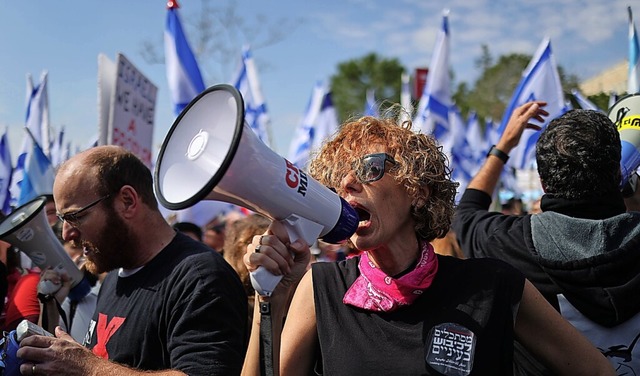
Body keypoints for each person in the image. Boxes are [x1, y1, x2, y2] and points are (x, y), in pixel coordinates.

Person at [241, 115, 614, 375]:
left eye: (370, 167)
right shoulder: (320, 287)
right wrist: (270, 296)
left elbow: (595, 370)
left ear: (417, 191)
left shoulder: (494, 285)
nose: (349, 183)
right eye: (340, 176)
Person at [17, 145, 247, 376]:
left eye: (76, 216)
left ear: (127, 201)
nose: (67, 234)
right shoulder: (114, 277)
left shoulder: (200, 278)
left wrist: (87, 367)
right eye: (62, 219)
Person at [453, 102, 640, 374]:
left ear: (542, 182)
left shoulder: (506, 242)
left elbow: (466, 212)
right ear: (619, 174)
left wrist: (503, 147)